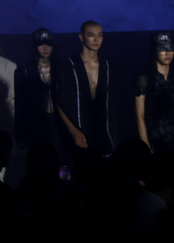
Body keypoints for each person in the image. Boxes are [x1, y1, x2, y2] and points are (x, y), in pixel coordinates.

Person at [55, 20, 114, 157]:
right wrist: (72, 130)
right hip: (78, 132)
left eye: (99, 35)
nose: (96, 39)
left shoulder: (109, 67)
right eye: (91, 35)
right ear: (81, 37)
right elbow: (58, 101)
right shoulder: (66, 67)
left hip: (103, 134)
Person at [135, 32, 174, 167]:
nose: (167, 53)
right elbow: (139, 115)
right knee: (158, 181)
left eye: (170, 49)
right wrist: (146, 146)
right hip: (154, 137)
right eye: (162, 49)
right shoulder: (145, 78)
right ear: (155, 50)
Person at [14, 28, 65, 161]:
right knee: (38, 160)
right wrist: (20, 133)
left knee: (59, 159)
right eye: (41, 44)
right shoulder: (23, 71)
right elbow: (20, 104)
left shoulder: (62, 68)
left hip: (59, 123)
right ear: (34, 46)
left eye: (48, 44)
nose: (45, 48)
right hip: (35, 123)